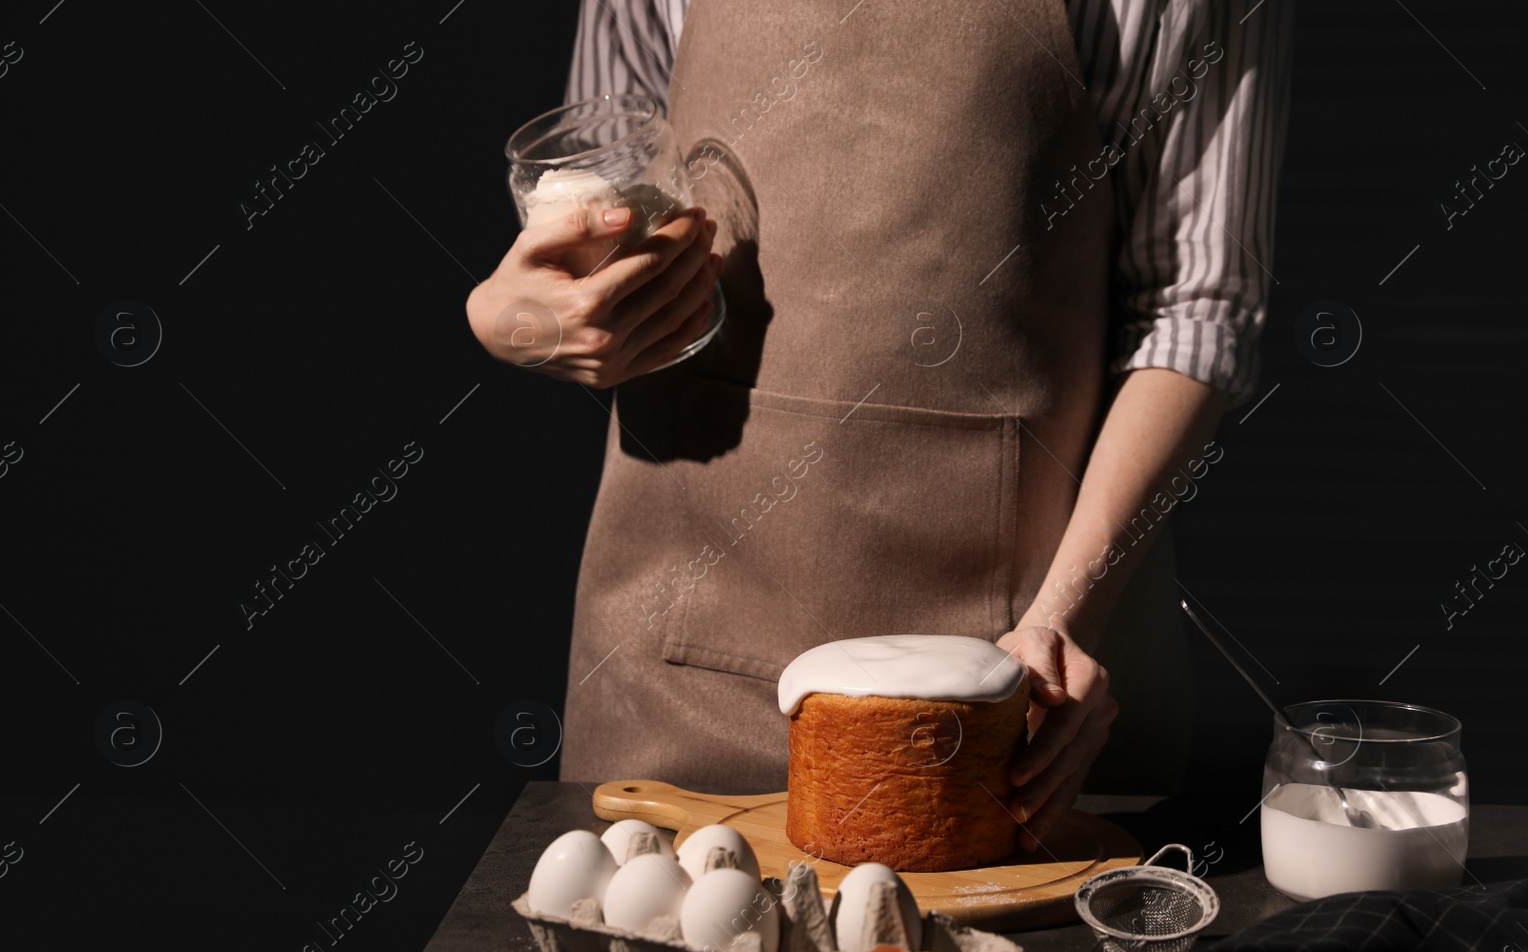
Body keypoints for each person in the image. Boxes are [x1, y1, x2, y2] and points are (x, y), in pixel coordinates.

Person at [467, 0, 1293, 850]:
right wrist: (519, 321)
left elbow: (1196, 310)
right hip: (671, 656)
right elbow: (605, 209)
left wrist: (1061, 622)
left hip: (1005, 684)